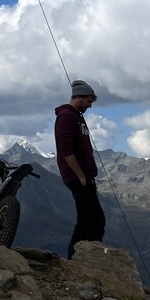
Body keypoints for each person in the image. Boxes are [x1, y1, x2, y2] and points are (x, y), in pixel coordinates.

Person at [54, 79, 106, 258]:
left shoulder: (76, 116)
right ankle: (89, 259)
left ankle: (74, 258)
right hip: (78, 177)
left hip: (83, 176)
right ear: (79, 97)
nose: (90, 106)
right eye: (89, 101)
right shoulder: (67, 116)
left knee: (84, 221)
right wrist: (80, 175)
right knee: (97, 220)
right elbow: (65, 148)